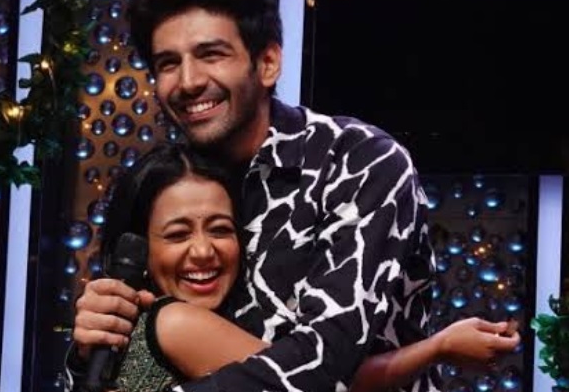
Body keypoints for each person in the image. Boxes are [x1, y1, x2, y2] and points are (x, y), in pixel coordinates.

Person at [67, 0, 520, 390]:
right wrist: (90, 346)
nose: (188, 81)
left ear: (267, 63)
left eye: (211, 54)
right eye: (168, 63)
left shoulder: (358, 161)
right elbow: (131, 355)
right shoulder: (175, 183)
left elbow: (325, 364)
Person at [68, 142, 520, 392]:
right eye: (178, 234)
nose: (203, 251)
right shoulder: (175, 322)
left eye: (220, 229)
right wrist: (437, 348)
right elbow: (318, 384)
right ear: (139, 248)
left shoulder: (129, 328)